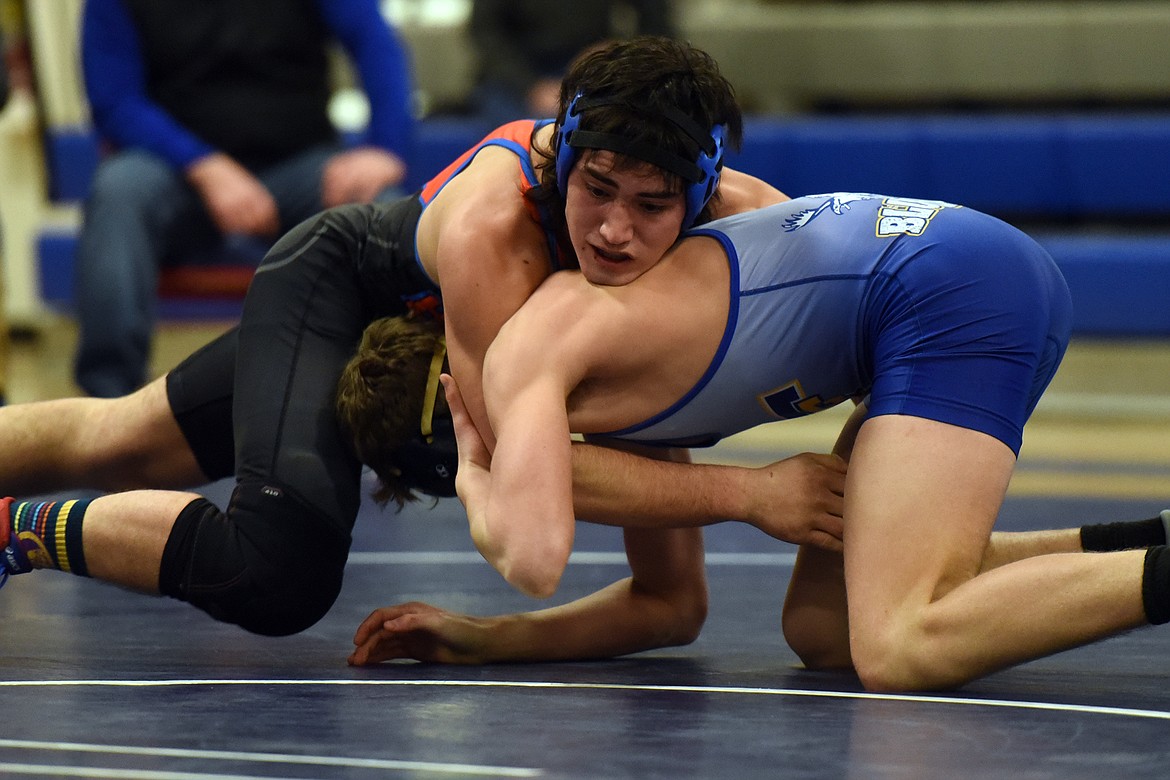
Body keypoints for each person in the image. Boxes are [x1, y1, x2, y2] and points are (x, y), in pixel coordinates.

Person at [1, 37, 845, 662]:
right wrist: (750, 492)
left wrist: (490, 639)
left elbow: (673, 606)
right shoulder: (497, 229)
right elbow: (520, 479)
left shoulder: (753, 233)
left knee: (124, 438)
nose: (616, 232)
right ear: (564, 165)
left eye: (652, 205)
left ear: (702, 200)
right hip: (345, 287)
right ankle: (16, 529)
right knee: (271, 566)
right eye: (594, 189)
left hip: (470, 335)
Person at [420, 191, 1170, 690]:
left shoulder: (548, 345)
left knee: (898, 643)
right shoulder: (600, 351)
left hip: (948, 290)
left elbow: (537, 545)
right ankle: (1144, 538)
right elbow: (671, 605)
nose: (616, 230)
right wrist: (486, 641)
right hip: (942, 277)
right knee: (826, 630)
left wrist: (473, 479)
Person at [74, 0, 415, 397]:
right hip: (173, 174)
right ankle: (106, 402)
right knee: (117, 193)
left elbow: (375, 43)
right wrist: (204, 166)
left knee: (381, 213)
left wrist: (387, 148)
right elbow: (114, 100)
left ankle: (390, 397)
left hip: (299, 166)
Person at [466, 0, 674, 128]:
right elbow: (485, 31)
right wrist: (531, 87)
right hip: (518, 74)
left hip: (593, 65)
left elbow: (657, 22)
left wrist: (620, 50)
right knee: (523, 138)